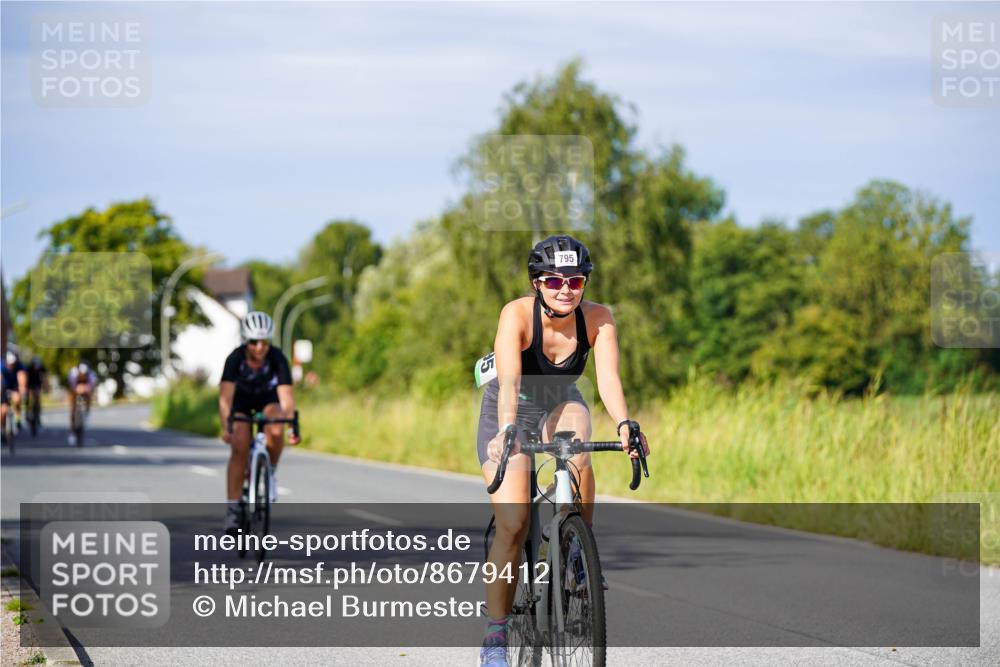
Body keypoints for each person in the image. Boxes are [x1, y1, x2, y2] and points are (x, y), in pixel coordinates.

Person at [475, 235, 649, 667]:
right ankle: (496, 634)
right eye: (554, 280)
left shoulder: (598, 319)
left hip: (560, 400)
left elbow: (608, 378)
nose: (566, 289)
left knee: (578, 446)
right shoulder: (517, 314)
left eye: (575, 280)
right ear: (537, 282)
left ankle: (578, 549)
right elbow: (509, 382)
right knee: (513, 524)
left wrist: (625, 423)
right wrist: (508, 429)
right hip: (509, 407)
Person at [219, 311, 299, 535]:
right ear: (246, 340)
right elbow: (225, 399)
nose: (260, 347)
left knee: (276, 426)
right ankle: (233, 510)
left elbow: (286, 398)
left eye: (264, 341)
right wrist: (226, 427)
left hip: (268, 400)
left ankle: (269, 472)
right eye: (254, 342)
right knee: (240, 446)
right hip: (242, 403)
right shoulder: (235, 359)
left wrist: (290, 425)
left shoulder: (277, 358)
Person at [67, 362, 97, 445]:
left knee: (89, 397)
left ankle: (87, 412)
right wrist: (77, 389)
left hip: (85, 390)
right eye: (81, 374)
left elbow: (92, 387)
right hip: (75, 389)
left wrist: (86, 389)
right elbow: (72, 386)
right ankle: (72, 432)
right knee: (73, 409)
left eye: (84, 375)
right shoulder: (73, 373)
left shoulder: (91, 375)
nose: (83, 376)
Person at [2, 351, 28, 434]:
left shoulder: (19, 366)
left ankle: (17, 418)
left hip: (14, 386)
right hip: (4, 387)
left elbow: (22, 377)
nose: (11, 366)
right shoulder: (2, 365)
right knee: (3, 410)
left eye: (13, 364)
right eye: (10, 364)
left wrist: (22, 389)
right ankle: (2, 429)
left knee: (17, 399)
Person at [25, 356, 48, 430]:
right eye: (35, 366)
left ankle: (38, 416)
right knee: (28, 399)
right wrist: (25, 388)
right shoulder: (29, 368)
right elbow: (25, 378)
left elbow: (45, 377)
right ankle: (27, 412)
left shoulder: (41, 367)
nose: (36, 368)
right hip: (29, 385)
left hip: (37, 385)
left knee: (38, 400)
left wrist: (45, 387)